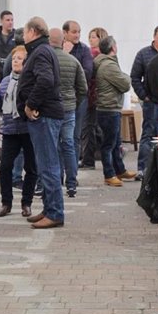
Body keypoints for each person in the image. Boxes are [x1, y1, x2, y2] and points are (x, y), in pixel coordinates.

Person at [17, 17, 66, 229]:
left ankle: (54, 212)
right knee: (46, 164)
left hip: (44, 116)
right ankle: (49, 208)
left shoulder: (40, 52)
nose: (23, 35)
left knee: (48, 166)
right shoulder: (42, 50)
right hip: (45, 115)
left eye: (26, 31)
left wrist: (30, 104)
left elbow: (45, 80)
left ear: (34, 31)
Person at [0, 45, 37, 218]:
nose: (15, 62)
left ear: (26, 62)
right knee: (5, 167)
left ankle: (26, 203)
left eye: (19, 59)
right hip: (10, 130)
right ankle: (6, 203)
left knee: (31, 168)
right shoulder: (5, 82)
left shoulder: (31, 80)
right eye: (13, 59)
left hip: (28, 129)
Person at [49, 28, 88, 198]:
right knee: (69, 146)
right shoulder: (73, 61)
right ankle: (72, 184)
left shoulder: (46, 60)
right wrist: (74, 102)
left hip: (51, 109)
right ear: (62, 40)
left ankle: (57, 181)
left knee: (54, 146)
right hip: (69, 109)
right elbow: (83, 88)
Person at [94, 36, 137, 187]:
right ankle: (109, 174)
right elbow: (125, 84)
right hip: (108, 108)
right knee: (108, 144)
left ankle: (120, 170)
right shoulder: (108, 66)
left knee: (115, 142)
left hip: (111, 107)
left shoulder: (108, 63)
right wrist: (125, 76)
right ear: (113, 47)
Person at [131, 25, 158, 181]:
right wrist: (143, 95)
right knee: (148, 134)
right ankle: (143, 168)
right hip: (151, 103)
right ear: (154, 36)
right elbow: (134, 77)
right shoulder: (144, 54)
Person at [62, 20, 93, 168]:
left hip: (79, 99)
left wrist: (68, 62)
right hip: (60, 99)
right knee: (59, 138)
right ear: (65, 33)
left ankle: (72, 172)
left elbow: (87, 72)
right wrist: (64, 54)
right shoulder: (57, 49)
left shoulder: (84, 50)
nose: (77, 35)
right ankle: (59, 173)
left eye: (79, 31)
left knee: (74, 137)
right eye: (74, 32)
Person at [81, 27, 108, 169]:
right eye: (90, 37)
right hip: (99, 97)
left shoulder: (92, 54)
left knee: (88, 128)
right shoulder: (106, 56)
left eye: (94, 37)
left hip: (91, 96)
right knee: (96, 128)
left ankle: (88, 160)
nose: (91, 40)